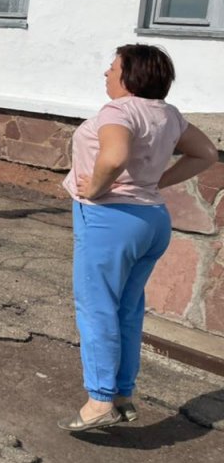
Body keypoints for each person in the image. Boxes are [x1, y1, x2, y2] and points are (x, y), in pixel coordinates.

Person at [58, 44, 216, 432]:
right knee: (127, 309)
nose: (106, 73)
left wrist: (95, 188)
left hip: (110, 220)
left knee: (97, 308)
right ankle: (122, 395)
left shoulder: (119, 110)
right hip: (152, 220)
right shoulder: (168, 114)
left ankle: (99, 401)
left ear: (130, 76)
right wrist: (158, 182)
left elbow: (114, 157)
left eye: (113, 68)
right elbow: (206, 153)